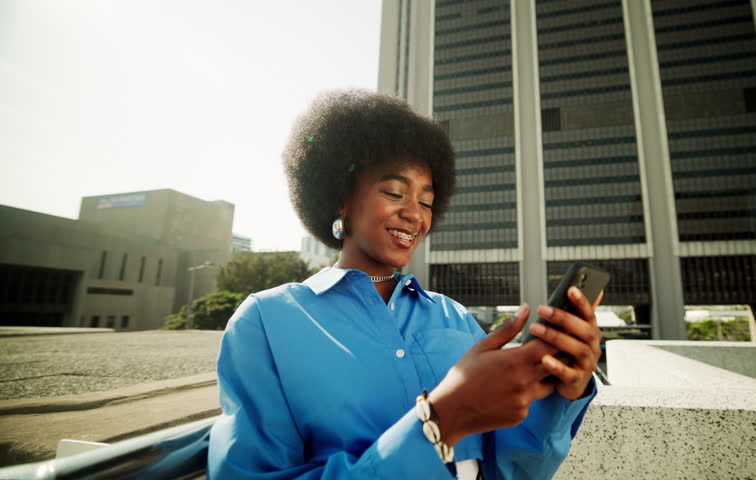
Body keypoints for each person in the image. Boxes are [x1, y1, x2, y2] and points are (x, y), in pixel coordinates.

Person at [207, 89, 603, 479]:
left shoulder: (453, 315)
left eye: (427, 201)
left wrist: (562, 390)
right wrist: (441, 422)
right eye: (394, 192)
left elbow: (510, 469)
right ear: (341, 199)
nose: (415, 215)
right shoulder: (267, 321)